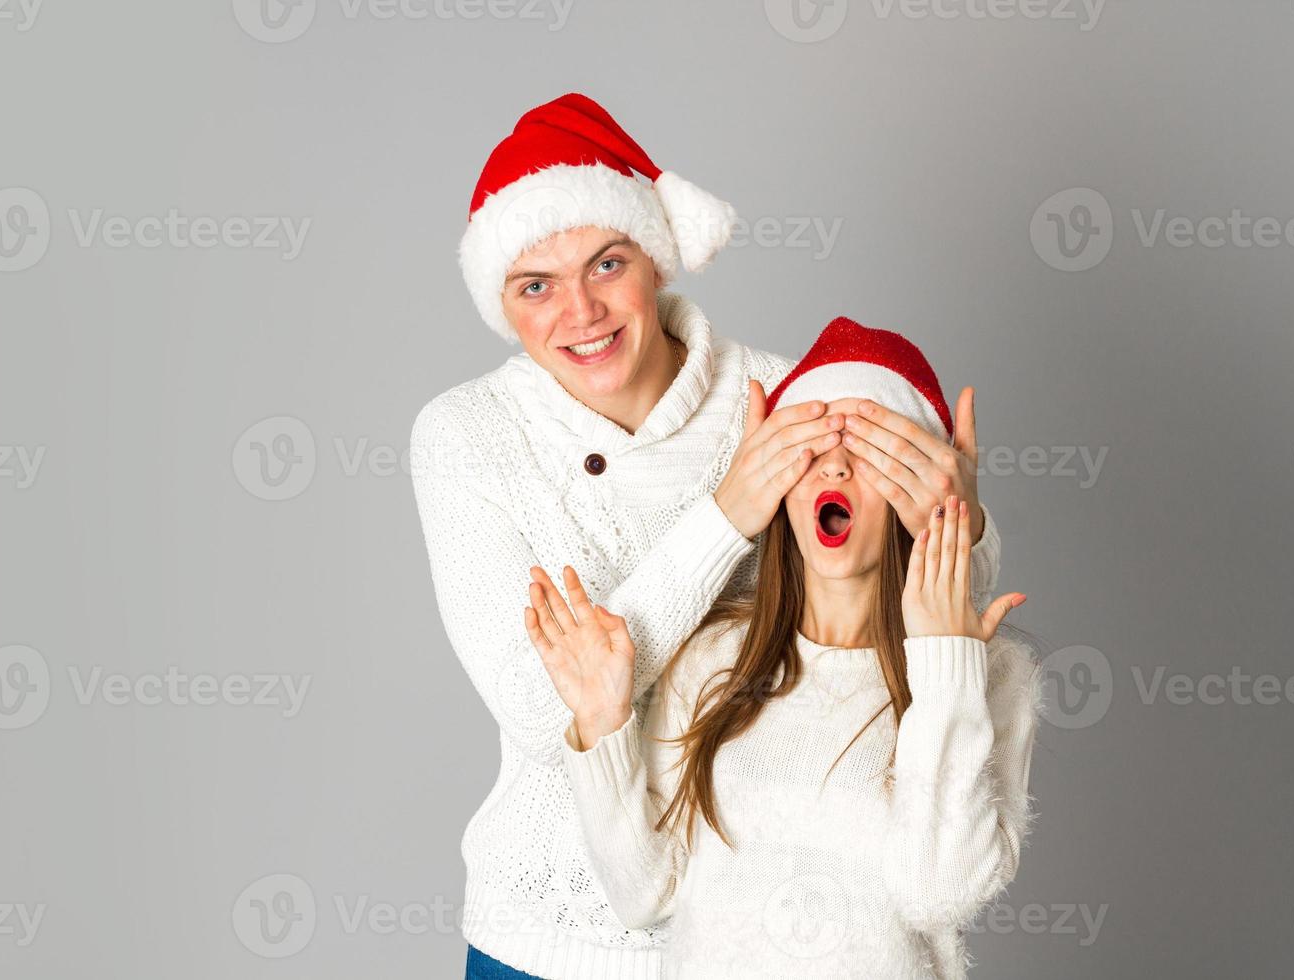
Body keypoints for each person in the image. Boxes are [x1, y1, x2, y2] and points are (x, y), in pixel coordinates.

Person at [410, 93, 1009, 980]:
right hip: (552, 937)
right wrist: (726, 516)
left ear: (656, 258)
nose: (580, 311)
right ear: (502, 304)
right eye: (535, 284)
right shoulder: (466, 436)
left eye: (607, 263)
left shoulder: (779, 395)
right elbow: (546, 711)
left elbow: (939, 614)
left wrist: (957, 517)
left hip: (765, 935)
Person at [530, 317, 1041, 980]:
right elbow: (643, 894)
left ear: (916, 489)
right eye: (812, 440)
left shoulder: (986, 673)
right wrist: (603, 720)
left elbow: (937, 892)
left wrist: (945, 660)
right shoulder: (714, 658)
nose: (834, 462)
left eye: (867, 444)